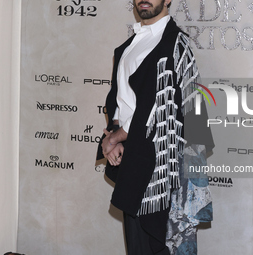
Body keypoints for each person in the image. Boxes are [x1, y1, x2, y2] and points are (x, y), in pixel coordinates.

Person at [97, 0, 214, 254]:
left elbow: (164, 108)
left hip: (163, 170)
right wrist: (114, 132)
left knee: (162, 246)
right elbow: (120, 100)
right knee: (137, 247)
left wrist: (116, 137)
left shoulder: (176, 45)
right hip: (133, 165)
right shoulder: (126, 48)